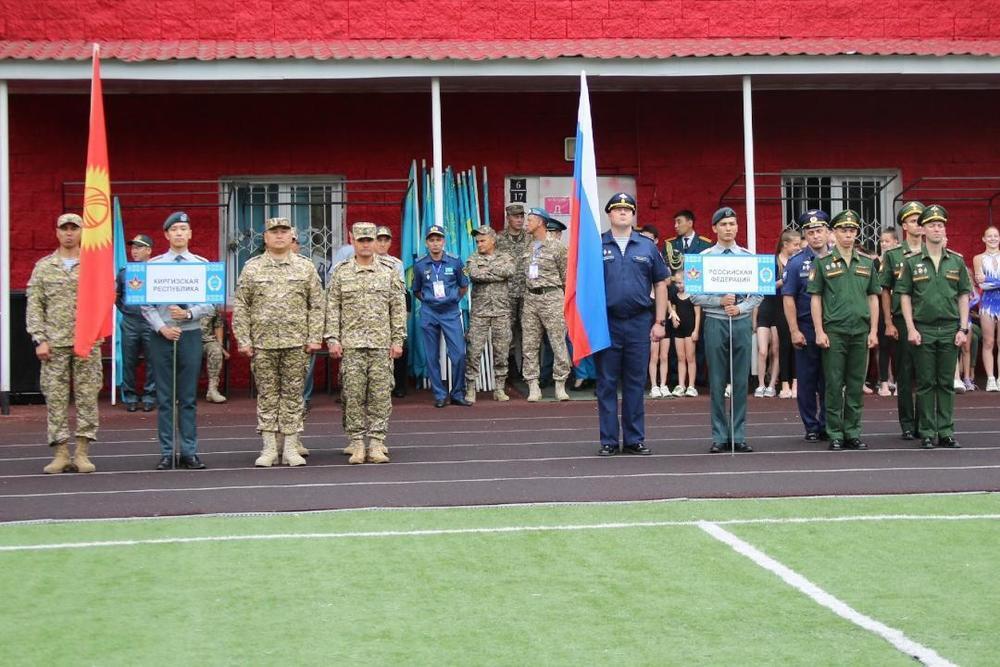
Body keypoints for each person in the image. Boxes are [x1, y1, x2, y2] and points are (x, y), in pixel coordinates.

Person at [233, 217, 324, 467]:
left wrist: (315, 337)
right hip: (262, 344)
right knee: (267, 396)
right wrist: (244, 339)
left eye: (284, 231)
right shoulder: (252, 268)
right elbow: (241, 306)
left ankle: (291, 448)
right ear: (265, 237)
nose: (280, 236)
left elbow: (317, 305)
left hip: (296, 343)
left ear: (292, 236)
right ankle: (269, 448)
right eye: (274, 232)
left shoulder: (305, 267)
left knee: (294, 396)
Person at [26, 213, 102, 474]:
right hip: (54, 343)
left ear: (82, 232)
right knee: (55, 398)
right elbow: (35, 305)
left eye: (74, 228)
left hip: (87, 341)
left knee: (87, 396)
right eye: (64, 228)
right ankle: (60, 453)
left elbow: (104, 300)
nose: (69, 233)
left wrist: (98, 334)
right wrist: (39, 338)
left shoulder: (93, 265)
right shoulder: (44, 266)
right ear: (57, 232)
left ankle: (81, 452)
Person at [325, 222, 406, 464]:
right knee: (352, 395)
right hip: (351, 345)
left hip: (381, 345)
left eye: (370, 240)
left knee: (381, 396)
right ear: (353, 241)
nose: (366, 245)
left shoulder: (389, 270)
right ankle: (357, 443)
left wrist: (398, 340)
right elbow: (332, 308)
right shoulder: (341, 272)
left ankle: (377, 442)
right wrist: (333, 339)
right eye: (361, 240)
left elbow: (397, 308)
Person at [142, 211, 216, 470]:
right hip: (162, 335)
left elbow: (211, 302)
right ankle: (166, 451)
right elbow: (145, 304)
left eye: (183, 229)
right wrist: (161, 327)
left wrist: (189, 313)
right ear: (166, 235)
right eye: (174, 229)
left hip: (190, 333)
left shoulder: (202, 264)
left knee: (188, 397)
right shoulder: (153, 266)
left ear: (190, 233)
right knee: (164, 397)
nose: (179, 233)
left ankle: (189, 451)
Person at [596, 193, 669, 456]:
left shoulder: (647, 247)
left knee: (635, 383)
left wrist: (659, 321)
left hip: (639, 322)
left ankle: (634, 439)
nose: (623, 213)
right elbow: (586, 285)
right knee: (606, 384)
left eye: (627, 209)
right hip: (607, 323)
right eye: (617, 209)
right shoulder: (597, 244)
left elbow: (660, 284)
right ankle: (608, 440)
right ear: (609, 214)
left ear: (633, 214)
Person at [897, 205, 971, 449]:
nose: (937, 229)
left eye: (940, 225)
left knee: (946, 383)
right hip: (924, 328)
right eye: (931, 225)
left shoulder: (956, 261)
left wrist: (963, 328)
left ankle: (946, 431)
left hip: (950, 328)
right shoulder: (912, 262)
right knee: (926, 382)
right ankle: (928, 431)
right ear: (924, 230)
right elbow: (905, 296)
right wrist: (910, 328)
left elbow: (963, 295)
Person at [691, 207, 763, 454]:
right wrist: (719, 301)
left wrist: (741, 307)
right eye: (723, 224)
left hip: (740, 321)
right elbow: (694, 295)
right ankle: (720, 436)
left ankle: (738, 435)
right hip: (715, 321)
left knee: (741, 381)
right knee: (717, 380)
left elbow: (759, 293)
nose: (729, 228)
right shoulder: (703, 258)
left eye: (732, 223)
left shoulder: (748, 257)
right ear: (714, 228)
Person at [808, 209, 881, 451]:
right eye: (843, 230)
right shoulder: (823, 263)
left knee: (856, 384)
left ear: (857, 233)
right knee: (833, 383)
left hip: (860, 330)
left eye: (852, 230)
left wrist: (873, 330)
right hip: (835, 331)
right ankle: (835, 433)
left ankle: (853, 432)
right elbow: (816, 298)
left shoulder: (867, 263)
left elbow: (873, 297)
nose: (848, 235)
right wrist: (819, 330)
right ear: (834, 233)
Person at [782, 210, 831, 441]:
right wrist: (794, 330)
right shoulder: (796, 263)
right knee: (807, 380)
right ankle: (811, 426)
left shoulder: (838, 259)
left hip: (834, 328)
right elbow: (788, 298)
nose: (816, 236)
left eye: (819, 231)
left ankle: (828, 424)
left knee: (831, 380)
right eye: (811, 233)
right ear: (805, 236)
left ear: (828, 232)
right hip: (806, 328)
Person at [879, 201, 925, 440]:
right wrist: (888, 322)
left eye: (921, 220)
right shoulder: (894, 255)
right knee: (905, 374)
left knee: (927, 375)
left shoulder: (935, 252)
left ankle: (926, 423)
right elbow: (885, 290)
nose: (918, 225)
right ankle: (907, 424)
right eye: (913, 221)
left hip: (928, 319)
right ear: (904, 226)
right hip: (901, 319)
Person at [412, 225, 472, 407]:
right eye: (431, 240)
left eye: (438, 239)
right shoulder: (420, 264)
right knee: (431, 356)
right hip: (430, 312)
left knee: (459, 354)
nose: (435, 243)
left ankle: (457, 393)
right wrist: (429, 300)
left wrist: (452, 299)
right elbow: (416, 290)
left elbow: (463, 286)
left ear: (444, 241)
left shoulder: (455, 261)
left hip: (450, 312)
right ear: (426, 243)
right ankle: (439, 395)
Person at [520, 208, 571, 402]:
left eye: (530, 220)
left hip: (552, 297)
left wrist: (562, 300)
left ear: (540, 222)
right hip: (530, 298)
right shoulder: (527, 246)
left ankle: (560, 383)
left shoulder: (557, 247)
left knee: (558, 342)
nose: (526, 223)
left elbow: (566, 277)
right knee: (529, 343)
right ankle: (533, 385)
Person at [464, 225, 515, 403]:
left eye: (482, 241)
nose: (479, 244)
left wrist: (488, 270)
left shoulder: (506, 257)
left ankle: (499, 388)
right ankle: (470, 388)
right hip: (480, 312)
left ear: (493, 240)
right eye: (477, 241)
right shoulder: (472, 258)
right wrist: (497, 273)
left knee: (502, 351)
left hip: (501, 311)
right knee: (474, 351)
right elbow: (474, 275)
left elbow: (510, 271)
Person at [117, 234, 156, 412]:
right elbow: (117, 297)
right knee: (129, 361)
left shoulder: (157, 271)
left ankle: (150, 396)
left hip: (152, 322)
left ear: (149, 250)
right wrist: (127, 311)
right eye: (133, 248)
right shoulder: (124, 273)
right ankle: (130, 396)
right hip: (130, 321)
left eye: (139, 247)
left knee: (153, 361)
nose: (134, 251)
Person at [496, 202, 530, 381]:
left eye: (521, 216)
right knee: (506, 331)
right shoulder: (498, 239)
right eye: (516, 217)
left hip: (526, 292)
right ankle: (509, 368)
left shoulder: (530, 238)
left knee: (528, 331)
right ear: (508, 218)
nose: (519, 220)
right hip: (506, 293)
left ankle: (527, 368)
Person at [375, 225, 409, 398]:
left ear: (390, 242)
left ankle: (399, 385)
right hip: (371, 310)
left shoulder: (396, 264)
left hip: (391, 308)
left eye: (385, 240)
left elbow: (401, 292)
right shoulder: (364, 260)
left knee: (399, 344)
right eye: (379, 240)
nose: (382, 244)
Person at [773, 229, 801, 399]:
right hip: (778, 306)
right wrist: (783, 281)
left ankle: (796, 382)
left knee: (797, 344)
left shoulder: (799, 261)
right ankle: (784, 383)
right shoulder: (774, 261)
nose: (798, 248)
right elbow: (765, 286)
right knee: (784, 345)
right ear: (785, 244)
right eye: (795, 244)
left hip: (798, 306)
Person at [973, 225, 1000, 391]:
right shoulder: (978, 258)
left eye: (995, 236)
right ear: (983, 239)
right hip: (987, 304)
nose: (993, 239)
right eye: (989, 236)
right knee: (989, 341)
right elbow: (981, 284)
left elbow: (985, 281)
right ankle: (990, 378)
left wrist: (989, 280)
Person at [876, 228, 900, 396]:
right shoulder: (875, 262)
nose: (884, 244)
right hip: (881, 309)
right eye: (882, 241)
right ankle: (884, 382)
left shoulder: (901, 260)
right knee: (883, 346)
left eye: (887, 241)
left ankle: (899, 382)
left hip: (898, 308)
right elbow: (874, 286)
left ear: (896, 242)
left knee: (899, 348)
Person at [668, 269, 699, 397]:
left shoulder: (693, 296)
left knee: (690, 357)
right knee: (680, 357)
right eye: (677, 283)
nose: (679, 285)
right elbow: (672, 307)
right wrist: (673, 317)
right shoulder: (675, 296)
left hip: (690, 330)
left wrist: (696, 330)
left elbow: (698, 315)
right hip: (679, 330)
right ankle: (681, 385)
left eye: (681, 283)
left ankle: (691, 385)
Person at [200, 309, 229, 403]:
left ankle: (212, 390)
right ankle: (180, 392)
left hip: (207, 341)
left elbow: (218, 325)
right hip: (186, 340)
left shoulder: (211, 305)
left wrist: (220, 346)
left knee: (216, 350)